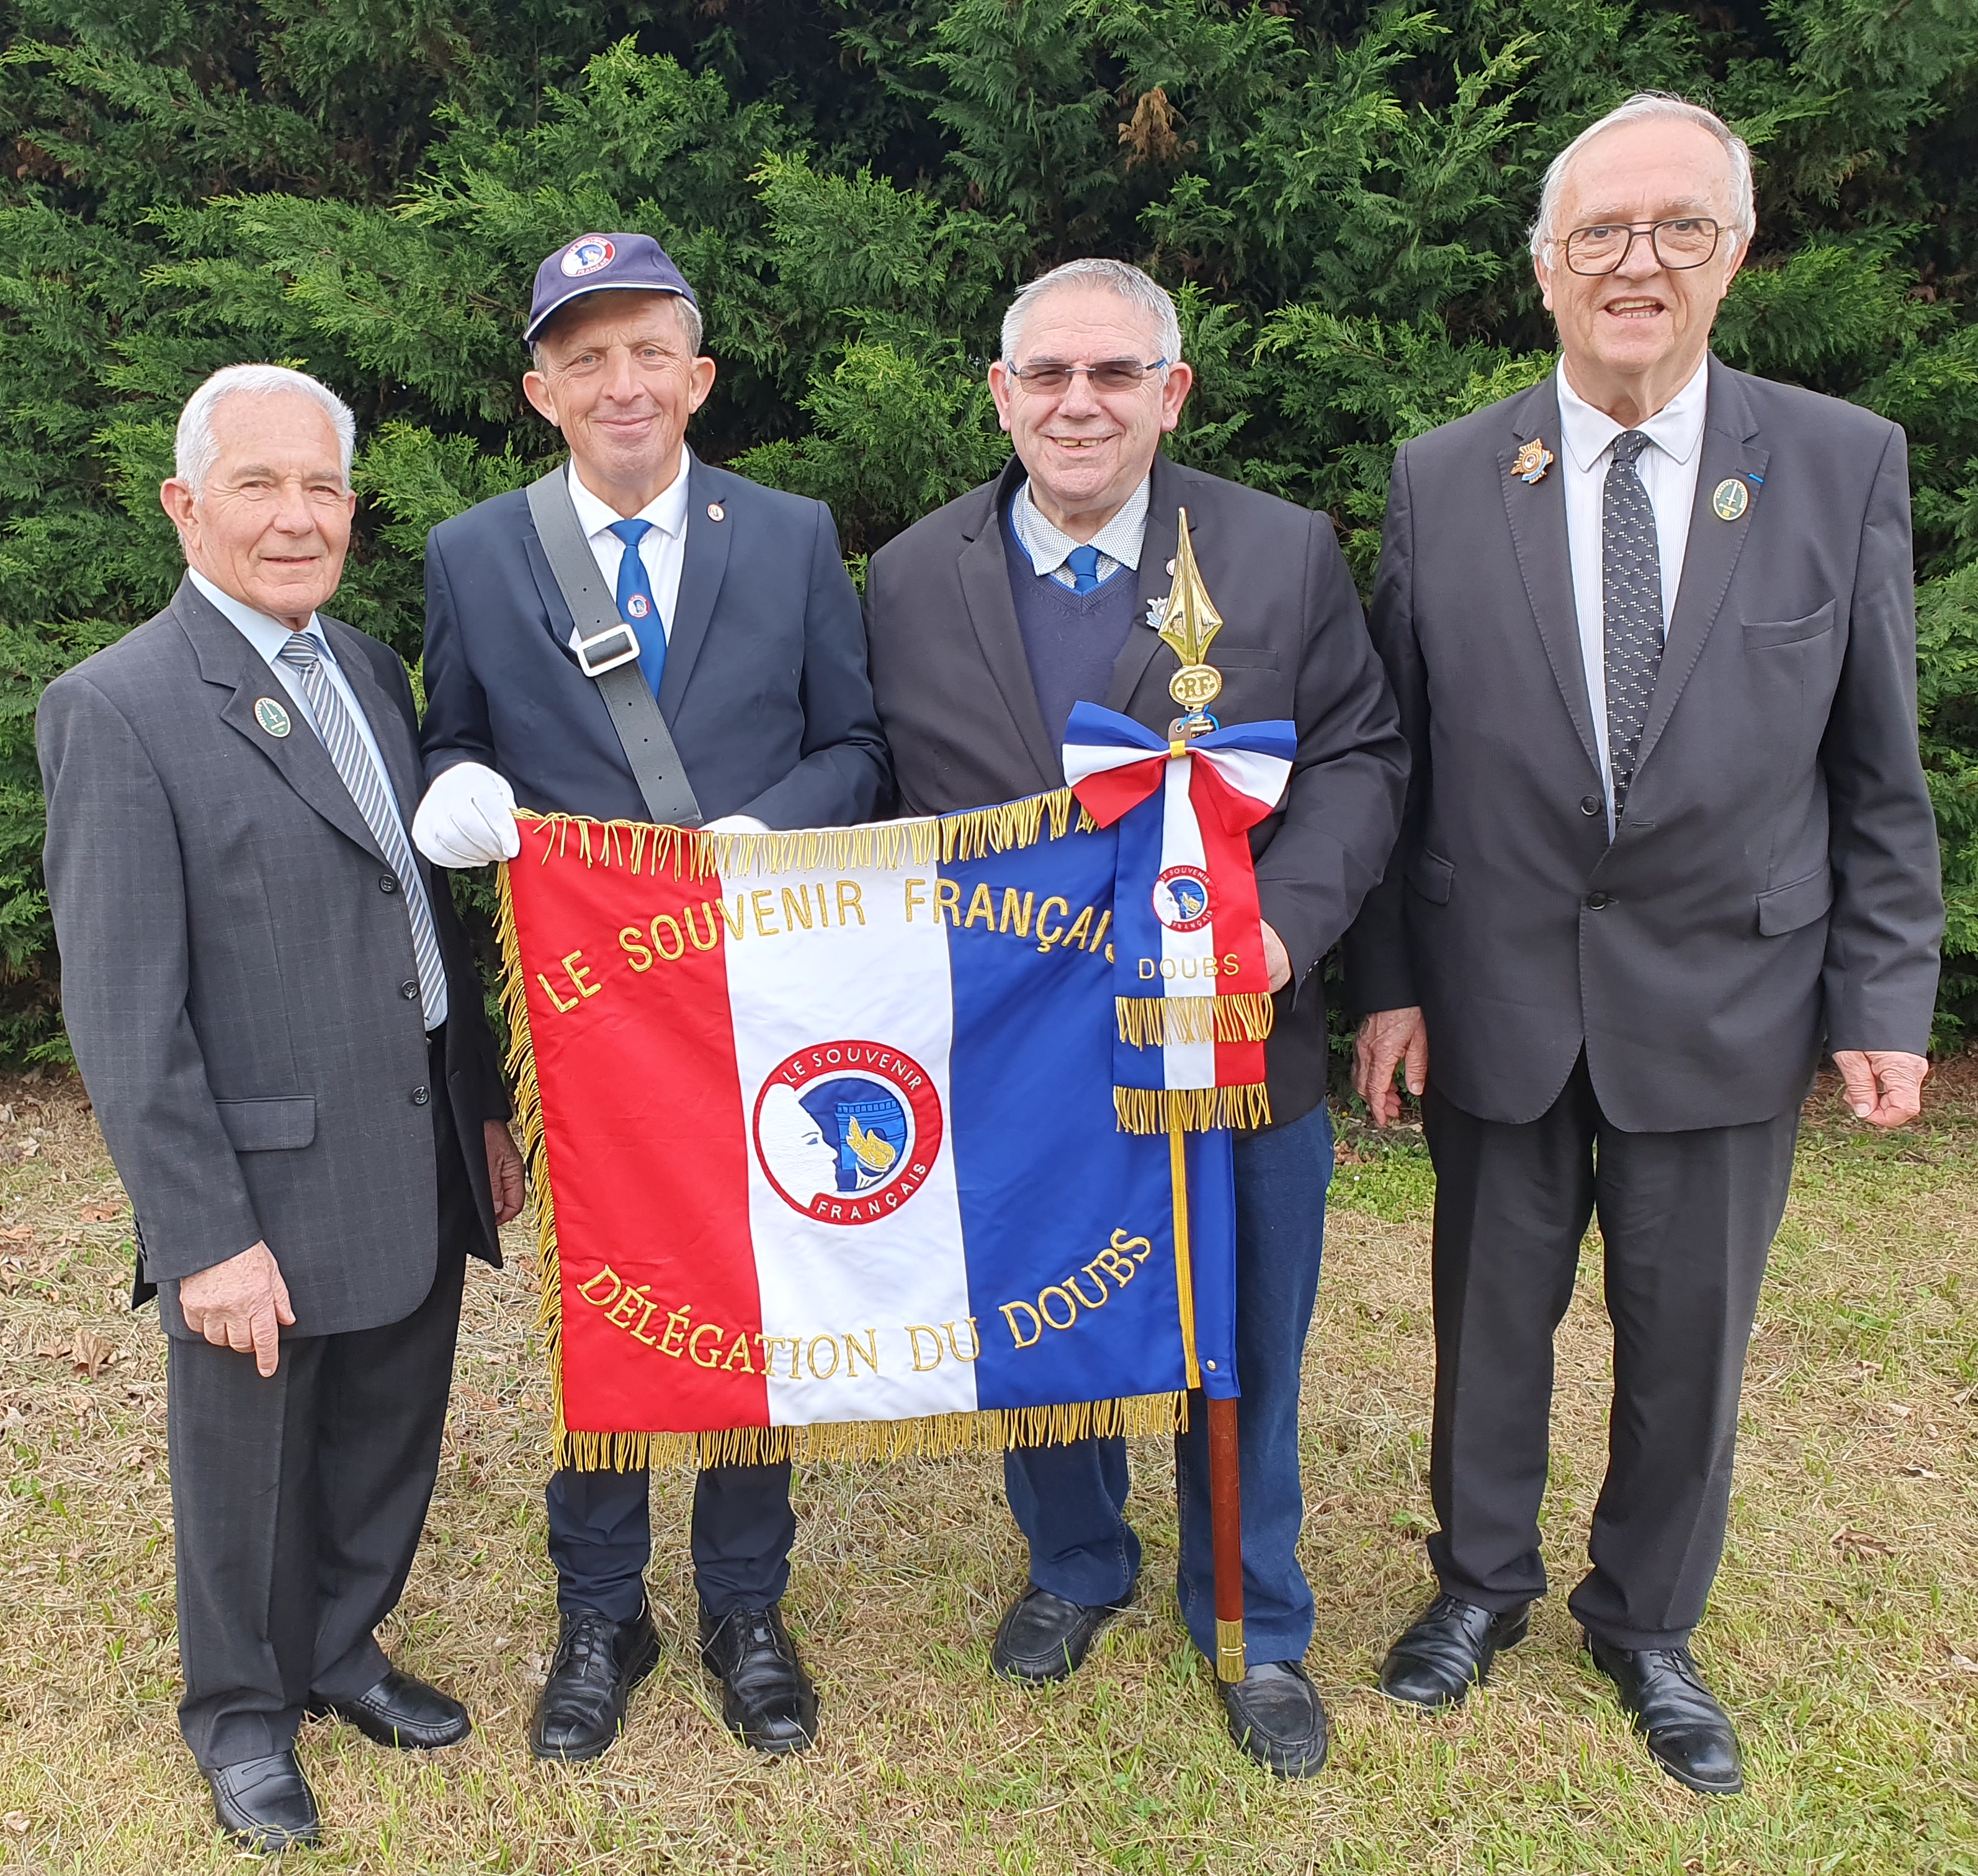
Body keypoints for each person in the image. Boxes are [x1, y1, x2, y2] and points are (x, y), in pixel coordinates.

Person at [1343, 94, 1943, 1797]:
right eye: (1599, 230)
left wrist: (1884, 995)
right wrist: (1388, 984)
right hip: (1499, 990)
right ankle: (1478, 1587)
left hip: (1732, 994)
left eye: (1680, 227)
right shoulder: (1446, 474)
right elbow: (1398, 755)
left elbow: (1878, 769)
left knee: (1690, 1341)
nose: (1637, 262)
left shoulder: (1838, 462)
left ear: (1734, 255)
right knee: (1490, 1322)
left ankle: (1647, 1622)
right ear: (1545, 265)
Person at [862, 258, 1406, 1777]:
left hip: (1234, 1036)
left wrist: (1278, 933)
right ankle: (1076, 1562)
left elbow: (1361, 757)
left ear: (1172, 393)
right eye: (1047, 375)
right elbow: (880, 787)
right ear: (1001, 396)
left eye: (1114, 374)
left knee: (1248, 1338)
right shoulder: (905, 575)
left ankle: (1252, 1613)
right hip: (1009, 1060)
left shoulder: (1279, 552)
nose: (1078, 404)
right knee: (1043, 1315)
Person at [411, 231, 889, 1759]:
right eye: (586, 358)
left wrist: (770, 828)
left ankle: (747, 1602)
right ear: (541, 391)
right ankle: (601, 1607)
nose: (621, 383)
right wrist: (460, 787)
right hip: (583, 1008)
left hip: (762, 982)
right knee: (605, 1299)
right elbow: (450, 740)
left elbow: (859, 747)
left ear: (698, 377)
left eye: (648, 354)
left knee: (755, 1280)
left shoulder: (794, 535)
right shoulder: (476, 553)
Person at [37, 364, 527, 1851]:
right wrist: (203, 1236)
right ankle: (244, 1715)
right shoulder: (119, 707)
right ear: (186, 506)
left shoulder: (368, 670)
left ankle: (339, 1649)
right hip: (263, 1172)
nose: (296, 517)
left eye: (323, 487)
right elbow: (125, 1012)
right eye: (259, 485)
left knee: (389, 1427)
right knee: (251, 1467)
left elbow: (420, 912)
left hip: (415, 1137)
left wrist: (480, 1107)